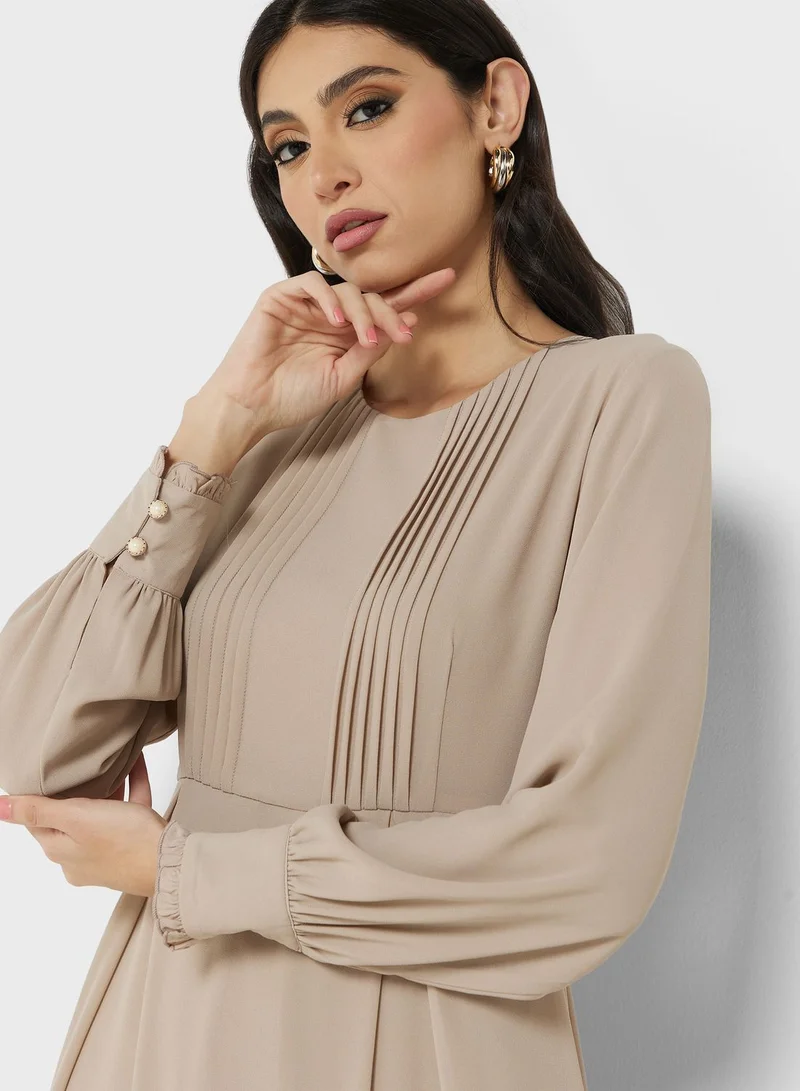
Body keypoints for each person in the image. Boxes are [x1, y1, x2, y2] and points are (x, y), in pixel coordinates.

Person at [0, 1, 712, 1088]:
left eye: (367, 109)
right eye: (288, 147)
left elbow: (584, 867)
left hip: (423, 1043)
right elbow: (27, 751)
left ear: (495, 106)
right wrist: (210, 434)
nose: (324, 176)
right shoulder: (275, 428)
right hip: (160, 1034)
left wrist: (187, 871)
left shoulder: (623, 399)